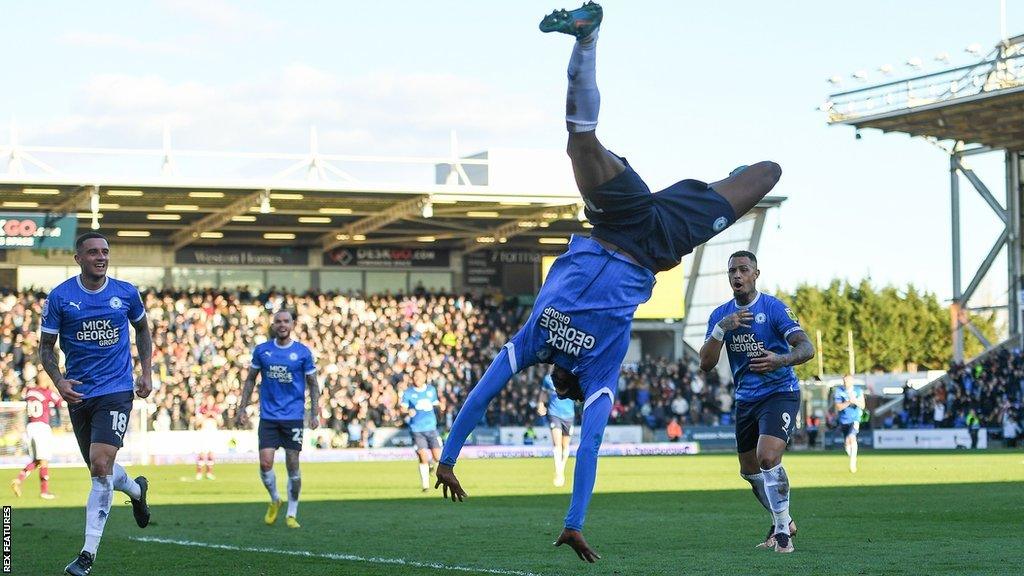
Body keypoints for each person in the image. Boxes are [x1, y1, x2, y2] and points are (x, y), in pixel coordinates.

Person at [433, 2, 783, 563]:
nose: (565, 394)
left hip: (620, 224)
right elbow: (581, 442)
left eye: (562, 393)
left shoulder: (539, 346)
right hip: (656, 239)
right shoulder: (585, 364)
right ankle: (700, 190)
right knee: (767, 173)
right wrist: (453, 460)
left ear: (559, 383)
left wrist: (450, 458)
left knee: (580, 139)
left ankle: (587, 38)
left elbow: (492, 399)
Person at [39, 232, 153, 576]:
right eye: (93, 252)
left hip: (117, 390)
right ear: (78, 259)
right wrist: (59, 381)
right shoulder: (61, 298)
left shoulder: (126, 293)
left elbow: (143, 330)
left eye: (104, 251)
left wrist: (146, 371)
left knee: (101, 465)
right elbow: (46, 348)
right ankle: (135, 489)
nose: (100, 257)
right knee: (98, 467)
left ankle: (86, 555)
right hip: (79, 393)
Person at [699, 250, 814, 554]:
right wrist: (721, 329)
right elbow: (706, 363)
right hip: (746, 399)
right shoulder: (721, 316)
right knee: (749, 470)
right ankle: (784, 521)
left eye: (743, 270)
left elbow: (807, 347)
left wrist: (781, 360)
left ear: (755, 274)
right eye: (732, 271)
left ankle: (782, 536)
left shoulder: (773, 308)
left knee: (767, 457)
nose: (737, 276)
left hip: (779, 392)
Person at [236, 309, 320, 529]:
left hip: (293, 416)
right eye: (278, 321)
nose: (282, 325)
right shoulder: (263, 351)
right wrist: (242, 408)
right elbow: (250, 380)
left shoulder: (302, 352)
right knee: (265, 463)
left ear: (292, 324)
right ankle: (275, 499)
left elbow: (313, 384)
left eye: (286, 321)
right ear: (273, 325)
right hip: (269, 416)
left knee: (293, 465)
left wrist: (315, 413)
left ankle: (292, 513)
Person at [10, 375, 63, 499]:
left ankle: (18, 480)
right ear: (44, 381)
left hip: (30, 427)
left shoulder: (29, 391)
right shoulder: (47, 392)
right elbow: (60, 402)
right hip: (41, 427)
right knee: (44, 460)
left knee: (37, 461)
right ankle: (44, 492)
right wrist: (52, 389)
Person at [400, 368, 443, 492]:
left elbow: (436, 405)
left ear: (425, 377)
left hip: (431, 427)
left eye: (420, 376)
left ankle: (431, 463)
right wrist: (408, 411)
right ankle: (425, 486)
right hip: (417, 429)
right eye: (415, 376)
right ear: (412, 378)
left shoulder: (431, 390)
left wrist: (440, 407)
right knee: (422, 456)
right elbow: (402, 409)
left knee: (437, 457)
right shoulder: (408, 393)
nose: (417, 379)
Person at [538, 368, 576, 486]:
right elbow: (543, 393)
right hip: (554, 413)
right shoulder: (548, 379)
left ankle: (561, 469)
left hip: (569, 414)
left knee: (565, 446)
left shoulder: (571, 376)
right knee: (557, 443)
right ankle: (558, 472)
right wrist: (540, 405)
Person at [834, 375, 865, 472]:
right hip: (843, 420)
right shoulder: (839, 391)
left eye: (847, 381)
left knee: (851, 437)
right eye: (844, 381)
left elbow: (863, 406)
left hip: (855, 419)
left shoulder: (858, 391)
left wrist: (854, 401)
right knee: (847, 444)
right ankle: (851, 456)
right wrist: (848, 402)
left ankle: (853, 464)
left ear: (852, 381)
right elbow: (838, 407)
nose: (845, 383)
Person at [194, 394, 223, 480]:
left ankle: (209, 473)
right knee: (202, 453)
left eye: (212, 400)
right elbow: (197, 423)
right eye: (208, 400)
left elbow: (221, 423)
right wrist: (206, 415)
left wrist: (214, 416)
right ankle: (199, 473)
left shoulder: (216, 410)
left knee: (211, 454)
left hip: (213, 433)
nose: (210, 402)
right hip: (204, 433)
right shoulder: (201, 410)